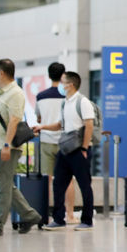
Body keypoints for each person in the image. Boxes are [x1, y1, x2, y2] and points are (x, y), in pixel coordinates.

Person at [0, 59, 42, 236]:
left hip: (6, 146)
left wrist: (7, 145)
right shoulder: (2, 92)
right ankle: (31, 216)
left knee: (3, 186)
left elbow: (14, 120)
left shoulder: (15, 93)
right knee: (6, 185)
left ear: (2, 73)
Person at [34, 71, 95, 231]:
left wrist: (84, 148)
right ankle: (58, 219)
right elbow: (61, 124)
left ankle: (87, 220)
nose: (60, 85)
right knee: (58, 184)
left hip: (79, 149)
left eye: (63, 82)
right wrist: (42, 126)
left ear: (71, 85)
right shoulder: (65, 103)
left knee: (84, 185)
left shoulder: (83, 102)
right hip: (65, 149)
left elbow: (89, 125)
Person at [35, 62, 76, 223]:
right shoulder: (68, 96)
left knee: (48, 179)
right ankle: (70, 214)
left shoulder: (40, 96)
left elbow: (38, 118)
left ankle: (49, 213)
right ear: (63, 75)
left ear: (48, 75)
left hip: (46, 140)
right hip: (65, 141)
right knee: (69, 179)